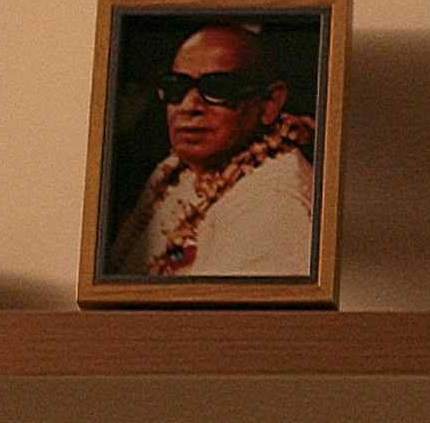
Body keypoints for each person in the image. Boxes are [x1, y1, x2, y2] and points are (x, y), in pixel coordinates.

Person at [107, 22, 316, 277]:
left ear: (270, 102)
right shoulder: (174, 169)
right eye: (176, 87)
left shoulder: (276, 202)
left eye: (217, 88)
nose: (188, 106)